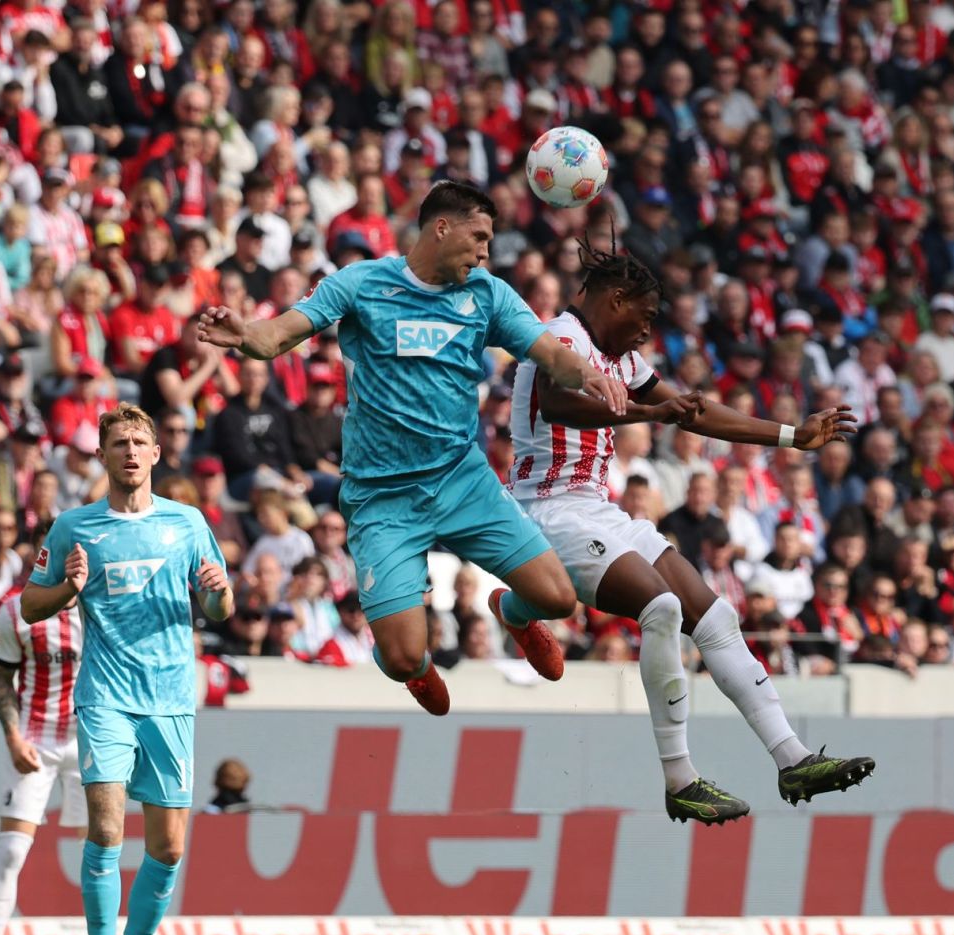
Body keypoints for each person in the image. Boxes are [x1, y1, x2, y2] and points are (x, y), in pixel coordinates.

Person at [196, 181, 627, 714]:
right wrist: (243, 334)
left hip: (461, 479)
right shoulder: (361, 283)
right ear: (441, 227)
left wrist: (590, 374)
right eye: (479, 236)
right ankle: (414, 670)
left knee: (559, 598)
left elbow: (547, 351)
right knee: (402, 656)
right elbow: (277, 336)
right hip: (383, 498)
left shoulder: (487, 294)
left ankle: (512, 613)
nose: (486, 251)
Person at [509, 240, 875, 824]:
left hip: (597, 509)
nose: (648, 333)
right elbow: (559, 404)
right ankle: (680, 778)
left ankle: (793, 758)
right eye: (646, 317)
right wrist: (649, 414)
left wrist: (791, 436)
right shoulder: (563, 340)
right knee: (661, 608)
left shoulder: (621, 359)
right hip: (545, 510)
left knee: (714, 613)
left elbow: (694, 410)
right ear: (616, 298)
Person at [20, 404, 233, 935]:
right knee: (108, 831)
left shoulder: (188, 522)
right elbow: (31, 604)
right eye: (120, 443)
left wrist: (218, 593)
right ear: (104, 456)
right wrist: (68, 589)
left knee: (167, 849)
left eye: (142, 441)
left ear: (157, 453)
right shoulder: (74, 527)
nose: (132, 452)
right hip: (104, 695)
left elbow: (219, 608)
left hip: (170, 700)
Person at [0, 543, 86, 935]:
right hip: (35, 741)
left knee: (100, 850)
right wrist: (12, 736)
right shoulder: (14, 611)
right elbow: (3, 678)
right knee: (11, 850)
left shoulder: (100, 606)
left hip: (91, 744)